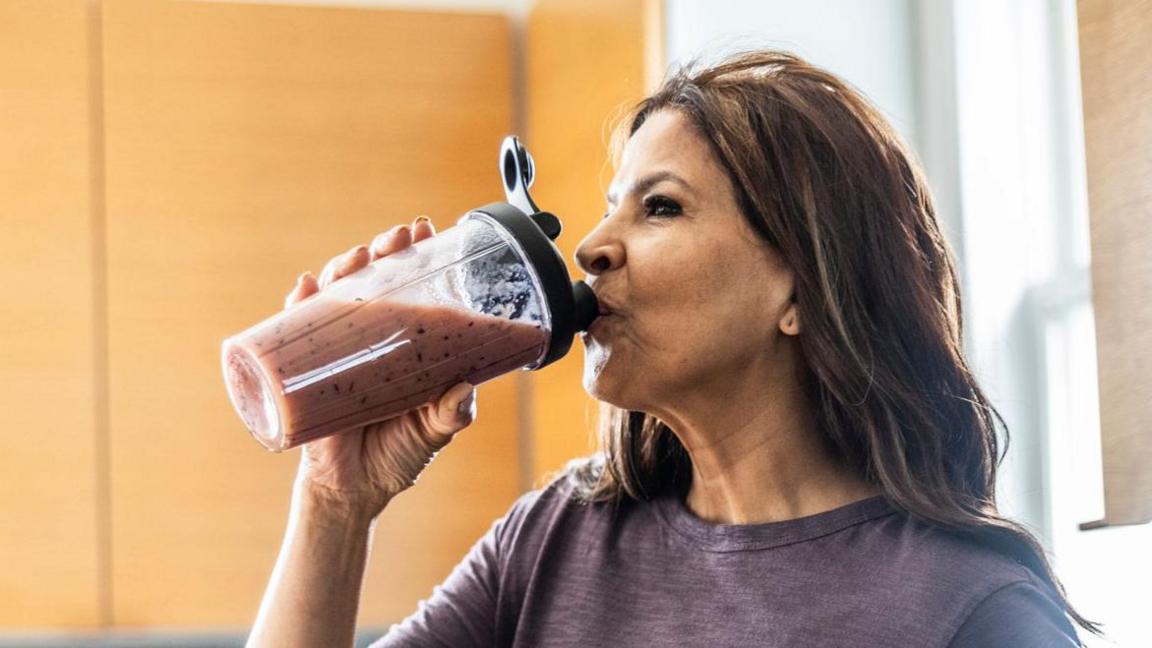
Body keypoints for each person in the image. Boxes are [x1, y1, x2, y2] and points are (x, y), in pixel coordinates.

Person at [246, 50, 1097, 647]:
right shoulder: (555, 541)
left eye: (660, 208)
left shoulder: (971, 607)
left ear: (799, 287)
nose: (590, 248)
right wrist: (333, 501)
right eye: (610, 205)